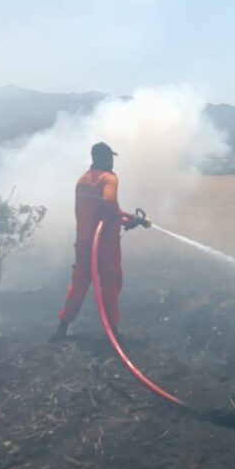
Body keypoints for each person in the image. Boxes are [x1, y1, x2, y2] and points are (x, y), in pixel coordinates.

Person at [49, 142, 144, 342]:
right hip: (105, 242)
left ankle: (62, 327)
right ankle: (112, 331)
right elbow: (109, 203)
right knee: (110, 283)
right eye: (110, 157)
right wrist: (125, 221)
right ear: (105, 158)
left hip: (84, 241)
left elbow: (101, 208)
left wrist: (128, 218)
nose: (112, 162)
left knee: (78, 284)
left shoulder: (82, 180)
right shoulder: (109, 179)